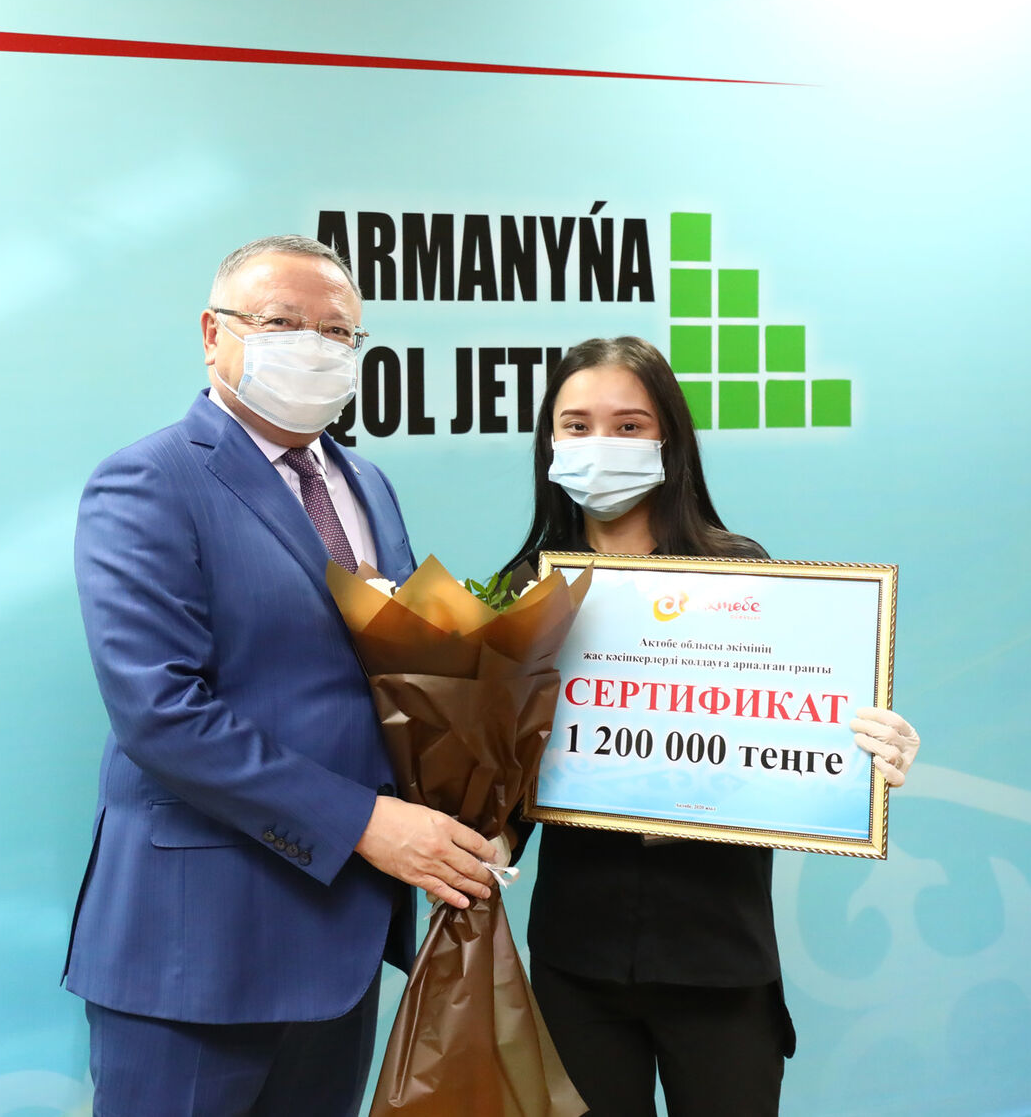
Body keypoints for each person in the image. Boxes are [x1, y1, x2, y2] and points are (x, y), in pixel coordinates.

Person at [64, 235, 499, 1117]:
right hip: (198, 947)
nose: (314, 347)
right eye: (280, 323)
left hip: (344, 940)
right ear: (212, 335)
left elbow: (399, 676)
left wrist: (475, 788)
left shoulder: (366, 482)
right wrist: (365, 823)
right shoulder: (147, 481)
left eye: (337, 333)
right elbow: (161, 713)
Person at [501, 336, 922, 1117]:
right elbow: (509, 769)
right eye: (577, 425)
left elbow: (791, 729)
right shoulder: (524, 588)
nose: (600, 445)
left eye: (629, 426)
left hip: (720, 958)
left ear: (669, 439)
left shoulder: (743, 573)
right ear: (549, 442)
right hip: (576, 958)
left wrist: (866, 750)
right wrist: (486, 836)